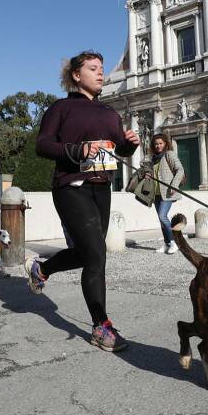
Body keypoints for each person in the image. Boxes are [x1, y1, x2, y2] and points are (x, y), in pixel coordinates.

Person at [26, 51, 140, 352]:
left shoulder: (109, 113)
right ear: (76, 75)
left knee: (87, 254)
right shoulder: (61, 108)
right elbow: (43, 144)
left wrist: (128, 144)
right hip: (71, 186)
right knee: (96, 254)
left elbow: (120, 151)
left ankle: (42, 270)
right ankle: (101, 326)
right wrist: (76, 151)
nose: (101, 74)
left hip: (102, 189)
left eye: (102, 69)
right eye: (93, 69)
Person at [146, 133, 185, 254]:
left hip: (168, 192)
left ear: (165, 144)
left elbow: (180, 170)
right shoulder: (153, 158)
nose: (158, 146)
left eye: (160, 143)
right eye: (156, 144)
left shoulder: (169, 154)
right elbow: (155, 174)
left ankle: (174, 242)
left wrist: (174, 185)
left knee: (163, 216)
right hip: (157, 193)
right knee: (161, 219)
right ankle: (167, 243)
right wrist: (148, 174)